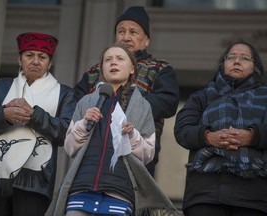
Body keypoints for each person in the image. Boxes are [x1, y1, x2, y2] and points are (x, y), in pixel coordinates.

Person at [46, 44, 181, 216]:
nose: (113, 63)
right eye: (108, 60)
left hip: (120, 191)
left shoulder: (142, 106)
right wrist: (83, 124)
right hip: (82, 187)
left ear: (132, 68)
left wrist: (132, 135)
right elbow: (70, 148)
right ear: (102, 68)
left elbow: (148, 154)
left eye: (120, 59)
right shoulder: (86, 102)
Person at [74, 6, 180, 177]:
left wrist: (122, 104)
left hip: (137, 153)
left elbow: (167, 103)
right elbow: (76, 104)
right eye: (121, 31)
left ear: (146, 40)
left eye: (133, 32)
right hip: (93, 152)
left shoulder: (160, 68)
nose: (126, 37)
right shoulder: (95, 71)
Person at [0, 32, 76, 216]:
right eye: (29, 55)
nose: (36, 61)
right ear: (19, 59)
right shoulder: (1, 87)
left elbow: (66, 132)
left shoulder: (65, 94)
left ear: (50, 63)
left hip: (34, 182)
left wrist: (33, 115)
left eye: (42, 56)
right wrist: (3, 115)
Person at [174, 41, 267, 216]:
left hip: (253, 194)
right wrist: (208, 137)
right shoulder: (201, 97)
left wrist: (252, 136)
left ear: (256, 67)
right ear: (223, 64)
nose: (237, 61)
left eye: (245, 58)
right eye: (231, 57)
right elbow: (182, 130)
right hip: (205, 192)